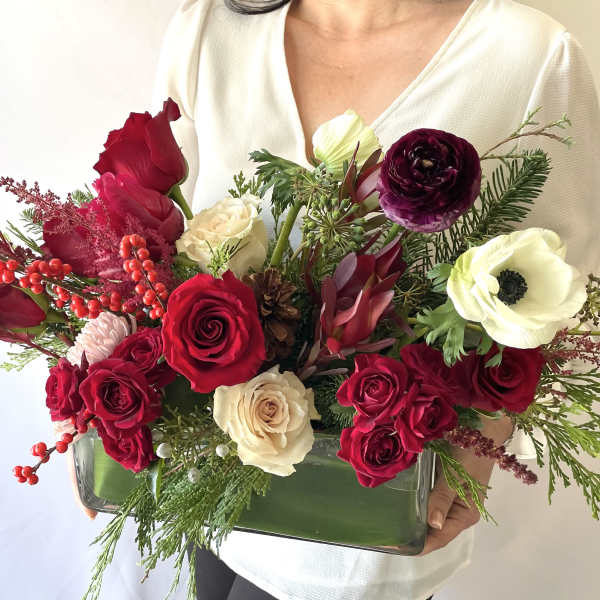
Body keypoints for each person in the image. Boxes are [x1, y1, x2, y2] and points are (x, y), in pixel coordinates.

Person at [73, 1, 600, 599]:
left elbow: (565, 300)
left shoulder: (528, 56)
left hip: (359, 536)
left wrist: (480, 446)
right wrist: (93, 385)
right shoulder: (208, 33)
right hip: (210, 505)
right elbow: (148, 243)